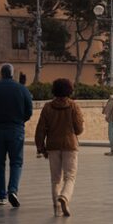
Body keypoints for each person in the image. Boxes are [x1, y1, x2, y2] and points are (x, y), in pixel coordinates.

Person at [0, 63, 34, 207]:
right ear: (13, 73)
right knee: (16, 162)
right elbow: (29, 111)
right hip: (16, 129)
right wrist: (20, 120)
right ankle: (12, 190)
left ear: (0, 74)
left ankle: (1, 196)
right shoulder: (22, 89)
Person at [34, 78, 85, 216]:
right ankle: (65, 197)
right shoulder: (73, 106)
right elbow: (79, 129)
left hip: (53, 146)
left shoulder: (47, 107)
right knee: (70, 176)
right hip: (70, 145)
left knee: (55, 179)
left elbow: (40, 130)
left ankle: (57, 208)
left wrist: (40, 147)